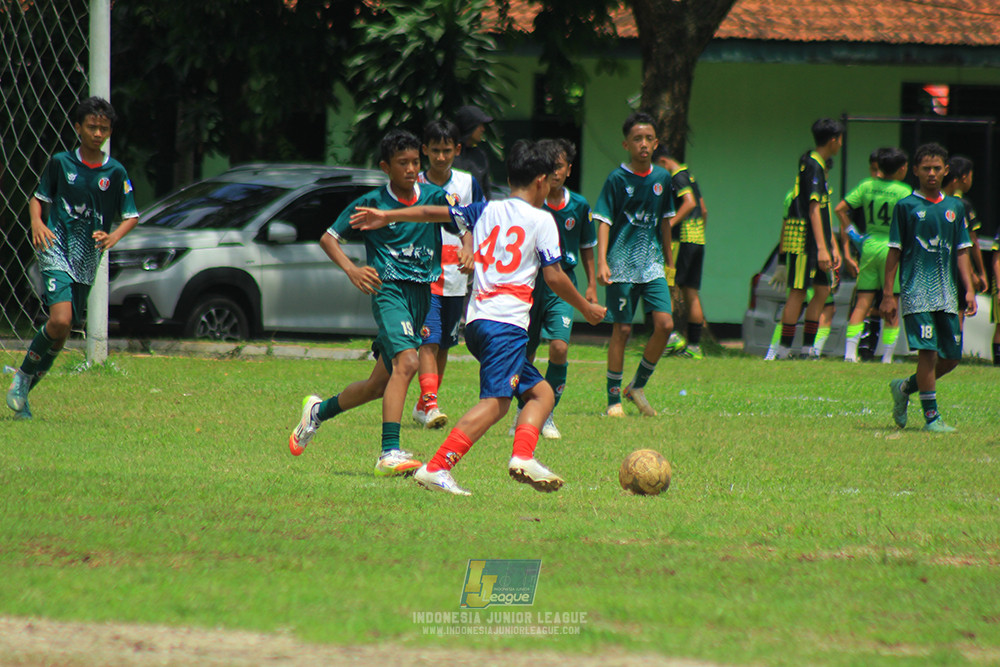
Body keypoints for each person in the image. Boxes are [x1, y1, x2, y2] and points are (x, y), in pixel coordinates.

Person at [349, 139, 607, 495]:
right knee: (496, 404)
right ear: (540, 181)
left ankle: (523, 456)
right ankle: (437, 467)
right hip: (506, 324)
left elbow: (429, 213)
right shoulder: (543, 220)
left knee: (541, 394)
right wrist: (586, 308)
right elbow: (555, 276)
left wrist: (387, 215)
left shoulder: (485, 210)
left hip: (477, 324)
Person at [287, 129, 458, 476]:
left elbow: (458, 219)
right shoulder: (372, 203)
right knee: (408, 363)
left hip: (420, 294)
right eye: (402, 163)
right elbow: (328, 237)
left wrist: (466, 242)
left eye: (415, 162)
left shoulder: (434, 196)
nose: (411, 169)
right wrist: (352, 270)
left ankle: (317, 412)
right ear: (386, 167)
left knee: (377, 386)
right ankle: (388, 452)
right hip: (388, 290)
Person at [6, 96, 138, 420]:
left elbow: (131, 215)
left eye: (103, 128)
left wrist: (112, 237)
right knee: (61, 320)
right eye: (91, 126)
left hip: (87, 256)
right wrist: (37, 222)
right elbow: (38, 199)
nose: (97, 133)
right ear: (78, 128)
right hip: (56, 246)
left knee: (63, 331)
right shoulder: (61, 163)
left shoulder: (115, 171)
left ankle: (23, 393)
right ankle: (22, 377)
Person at [884, 143, 976, 433]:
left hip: (948, 293)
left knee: (951, 358)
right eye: (926, 168)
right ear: (915, 171)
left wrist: (970, 289)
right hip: (917, 291)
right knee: (928, 353)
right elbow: (895, 251)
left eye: (937, 168)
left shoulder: (955, 207)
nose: (932, 173)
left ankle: (904, 387)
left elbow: (962, 250)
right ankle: (931, 418)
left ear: (946, 171)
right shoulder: (906, 206)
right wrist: (888, 294)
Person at [594, 112, 676, 417]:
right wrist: (602, 262)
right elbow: (602, 220)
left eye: (649, 139)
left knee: (665, 324)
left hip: (652, 264)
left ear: (656, 143)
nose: (643, 144)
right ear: (626, 144)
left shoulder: (662, 178)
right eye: (637, 139)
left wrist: (670, 264)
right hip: (621, 264)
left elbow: (665, 221)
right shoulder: (617, 179)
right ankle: (614, 399)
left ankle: (637, 386)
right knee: (623, 329)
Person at [516, 138, 598, 439]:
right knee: (523, 353)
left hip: (562, 285)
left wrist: (591, 285)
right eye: (548, 167)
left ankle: (546, 414)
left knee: (560, 347)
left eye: (559, 166)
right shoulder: (530, 206)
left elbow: (587, 247)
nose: (553, 172)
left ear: (568, 170)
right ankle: (524, 409)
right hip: (528, 284)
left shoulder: (578, 205)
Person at [411, 119, 486, 430]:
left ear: (457, 149)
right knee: (427, 342)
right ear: (424, 150)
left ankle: (423, 404)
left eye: (446, 151)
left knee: (443, 344)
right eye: (435, 151)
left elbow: (481, 223)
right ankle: (430, 404)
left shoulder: (468, 184)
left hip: (456, 277)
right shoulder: (413, 183)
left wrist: (472, 253)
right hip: (422, 275)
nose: (440, 158)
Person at [769, 118, 843, 360]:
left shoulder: (819, 166)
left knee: (822, 290)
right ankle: (783, 350)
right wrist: (822, 248)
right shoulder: (811, 164)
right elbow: (812, 208)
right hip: (804, 240)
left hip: (817, 241)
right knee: (798, 291)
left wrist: (833, 246)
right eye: (840, 139)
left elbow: (823, 210)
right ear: (833, 140)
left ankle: (808, 349)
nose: (841, 144)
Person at [835, 147, 911, 363]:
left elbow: (840, 209)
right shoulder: (904, 191)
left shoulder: (867, 185)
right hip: (893, 249)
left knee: (862, 303)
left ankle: (850, 354)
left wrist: (853, 233)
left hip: (869, 245)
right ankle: (887, 357)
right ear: (902, 168)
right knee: (892, 302)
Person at [653, 146, 709, 360]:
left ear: (664, 162)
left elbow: (690, 203)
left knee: (666, 285)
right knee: (691, 291)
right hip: (697, 239)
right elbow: (703, 210)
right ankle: (694, 347)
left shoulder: (677, 176)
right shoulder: (690, 176)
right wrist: (699, 233)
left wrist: (668, 226)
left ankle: (672, 337)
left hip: (681, 240)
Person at [941, 156, 990, 310]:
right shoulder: (961, 205)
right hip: (956, 270)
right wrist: (978, 272)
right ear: (963, 177)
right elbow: (971, 241)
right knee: (957, 317)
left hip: (935, 268)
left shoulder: (931, 202)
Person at [453, 105, 493, 198]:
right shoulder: (449, 156)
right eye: (479, 125)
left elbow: (486, 191)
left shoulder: (480, 156)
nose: (483, 129)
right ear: (469, 126)